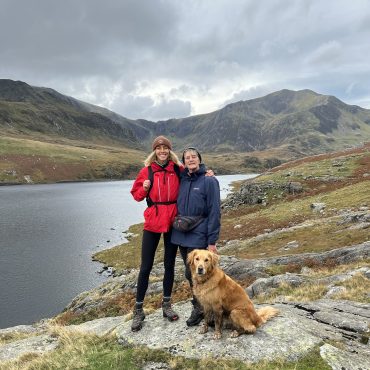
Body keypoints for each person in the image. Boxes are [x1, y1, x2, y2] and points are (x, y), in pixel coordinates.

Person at [130, 135, 182, 331]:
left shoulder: (177, 169)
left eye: (165, 148)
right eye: (159, 148)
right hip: (153, 220)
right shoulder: (147, 171)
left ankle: (166, 305)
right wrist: (144, 189)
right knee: (146, 267)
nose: (162, 151)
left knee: (169, 264)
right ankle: (138, 311)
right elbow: (136, 196)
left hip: (172, 221)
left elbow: (194, 174)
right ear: (154, 151)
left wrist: (207, 173)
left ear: (169, 150)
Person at [171, 147, 221, 327]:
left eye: (194, 157)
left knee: (203, 272)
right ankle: (199, 306)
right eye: (187, 158)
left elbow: (215, 211)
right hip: (182, 234)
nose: (190, 159)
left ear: (199, 159)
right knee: (190, 273)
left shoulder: (209, 180)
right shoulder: (183, 177)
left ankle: (209, 308)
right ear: (184, 162)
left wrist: (212, 241)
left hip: (199, 233)